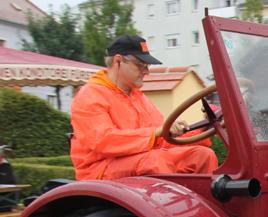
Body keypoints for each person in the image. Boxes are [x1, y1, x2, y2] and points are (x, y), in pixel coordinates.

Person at [70, 35, 217, 179]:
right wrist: (155, 133)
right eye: (141, 65)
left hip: (140, 158)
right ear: (118, 61)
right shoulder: (89, 96)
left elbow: (162, 139)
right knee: (153, 160)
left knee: (203, 156)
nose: (146, 72)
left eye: (147, 67)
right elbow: (104, 141)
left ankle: (206, 203)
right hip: (100, 169)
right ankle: (170, 203)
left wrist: (202, 129)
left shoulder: (138, 97)